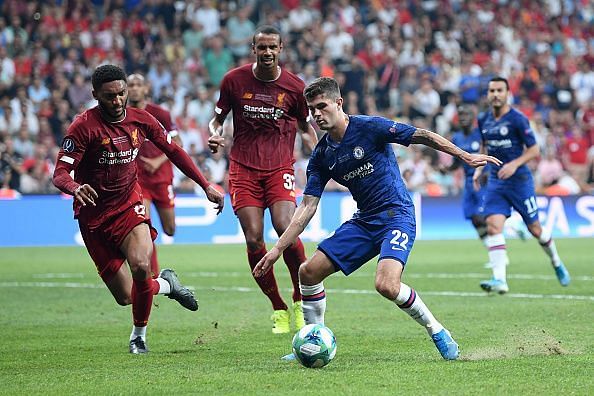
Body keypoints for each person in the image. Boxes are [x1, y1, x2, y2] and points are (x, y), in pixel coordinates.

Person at [253, 77, 502, 361]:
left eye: (322, 106)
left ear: (338, 103)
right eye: (312, 109)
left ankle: (437, 330)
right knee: (308, 272)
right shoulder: (322, 156)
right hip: (365, 221)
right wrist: (276, 250)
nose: (317, 114)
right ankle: (312, 339)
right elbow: (307, 207)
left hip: (397, 215)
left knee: (386, 285)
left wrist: (463, 155)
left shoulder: (369, 127)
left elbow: (420, 134)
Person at [52, 65, 224, 354]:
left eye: (122, 94)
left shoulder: (142, 119)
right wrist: (75, 188)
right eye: (110, 96)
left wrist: (205, 184)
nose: (118, 101)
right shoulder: (83, 127)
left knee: (142, 266)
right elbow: (59, 173)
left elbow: (175, 151)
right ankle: (167, 285)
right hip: (93, 218)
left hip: (129, 205)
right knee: (125, 295)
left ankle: (138, 337)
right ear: (95, 95)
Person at [207, 25, 318, 334]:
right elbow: (216, 120)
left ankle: (299, 298)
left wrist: (317, 148)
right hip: (242, 168)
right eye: (262, 47)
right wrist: (214, 135)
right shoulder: (234, 80)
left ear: (280, 49)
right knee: (254, 238)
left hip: (279, 167)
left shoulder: (295, 87)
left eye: (272, 47)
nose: (267, 52)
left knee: (285, 227)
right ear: (253, 50)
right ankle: (278, 307)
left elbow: (306, 126)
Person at [473, 77, 570, 294]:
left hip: (520, 182)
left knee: (535, 229)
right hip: (497, 181)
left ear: (507, 93)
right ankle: (500, 280)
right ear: (487, 94)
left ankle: (556, 261)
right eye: (492, 90)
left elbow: (534, 150)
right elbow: (484, 146)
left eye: (500, 90)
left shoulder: (517, 119)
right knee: (493, 226)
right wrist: (479, 168)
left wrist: (515, 164)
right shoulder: (483, 120)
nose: (495, 94)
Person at [446, 105, 526, 268]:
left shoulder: (481, 134)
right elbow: (456, 162)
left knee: (486, 217)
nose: (463, 117)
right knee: (474, 220)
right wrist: (447, 169)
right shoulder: (457, 138)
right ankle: (495, 255)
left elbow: (496, 152)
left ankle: (513, 225)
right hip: (469, 183)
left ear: (473, 116)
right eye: (460, 114)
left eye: (466, 114)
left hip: (485, 181)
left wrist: (490, 172)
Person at [128, 73, 180, 277]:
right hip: (138, 181)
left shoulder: (161, 114)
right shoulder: (122, 115)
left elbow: (178, 144)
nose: (134, 88)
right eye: (130, 85)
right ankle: (153, 275)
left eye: (137, 85)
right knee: (144, 225)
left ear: (146, 89)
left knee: (170, 229)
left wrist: (158, 161)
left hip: (162, 178)